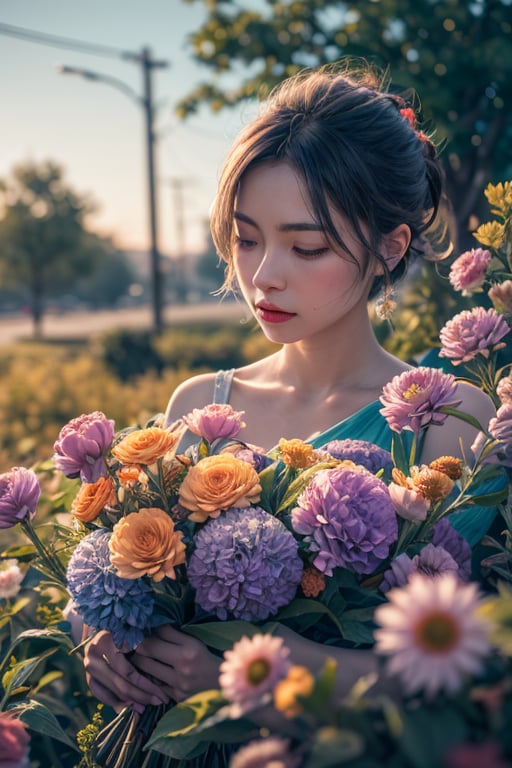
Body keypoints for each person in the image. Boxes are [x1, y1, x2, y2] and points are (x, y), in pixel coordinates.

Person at [83, 61, 499, 734]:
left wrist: (257, 671)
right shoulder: (201, 407)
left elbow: (463, 673)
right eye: (246, 239)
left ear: (391, 248)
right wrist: (110, 643)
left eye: (305, 247)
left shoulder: (445, 423)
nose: (263, 277)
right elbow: (156, 611)